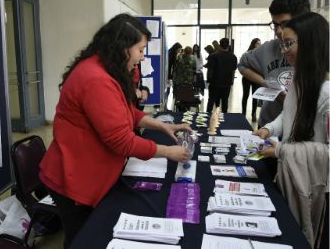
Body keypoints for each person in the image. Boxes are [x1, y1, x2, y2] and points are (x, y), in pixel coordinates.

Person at [38, 14, 191, 248]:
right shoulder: (96, 78)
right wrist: (168, 152)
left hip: (84, 171)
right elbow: (121, 140)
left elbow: (129, 113)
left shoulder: (106, 69)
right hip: (74, 178)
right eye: (140, 49)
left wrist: (162, 124)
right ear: (122, 47)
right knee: (82, 239)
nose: (141, 56)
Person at [254, 12, 329, 248]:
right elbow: (287, 116)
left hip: (317, 190)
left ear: (310, 43)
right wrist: (267, 129)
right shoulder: (300, 80)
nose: (284, 50)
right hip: (293, 178)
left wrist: (281, 151)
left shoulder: (327, 92)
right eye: (281, 43)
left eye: (289, 43)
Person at [238, 0, 310, 128]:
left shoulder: (320, 53)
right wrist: (264, 82)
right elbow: (242, 64)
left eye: (284, 24)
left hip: (303, 130)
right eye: (275, 25)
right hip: (269, 125)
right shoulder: (270, 48)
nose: (278, 31)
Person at [205, 38, 237, 113]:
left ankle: (207, 116)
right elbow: (233, 71)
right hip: (226, 83)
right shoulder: (233, 57)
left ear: (219, 45)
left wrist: (209, 80)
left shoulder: (213, 56)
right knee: (225, 101)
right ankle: (224, 118)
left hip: (214, 82)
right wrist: (231, 81)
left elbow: (210, 69)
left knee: (211, 101)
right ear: (228, 46)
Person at [241, 38, 261, 122]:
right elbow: (243, 66)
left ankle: (253, 114)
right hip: (247, 78)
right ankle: (243, 114)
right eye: (257, 43)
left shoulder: (261, 55)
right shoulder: (247, 54)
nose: (259, 45)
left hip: (256, 78)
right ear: (253, 44)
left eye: (260, 44)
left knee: (255, 97)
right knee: (245, 95)